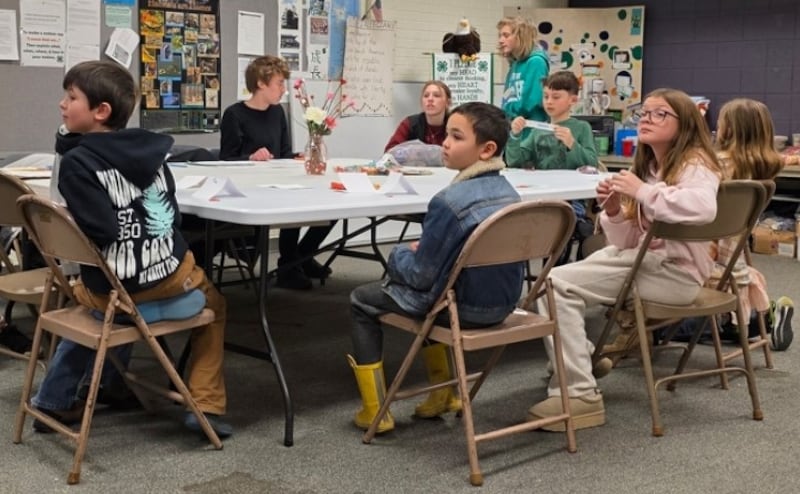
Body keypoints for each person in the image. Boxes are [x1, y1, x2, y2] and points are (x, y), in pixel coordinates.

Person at [31, 60, 232, 438]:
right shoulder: (154, 153)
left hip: (111, 293)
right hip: (169, 279)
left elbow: (103, 231)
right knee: (214, 304)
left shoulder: (76, 165)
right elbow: (169, 217)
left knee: (97, 302)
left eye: (71, 97)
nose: (62, 104)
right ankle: (206, 405)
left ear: (100, 111)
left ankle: (55, 400)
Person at [526, 88, 723, 431]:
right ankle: (582, 359)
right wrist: (615, 211)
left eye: (659, 114)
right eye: (643, 113)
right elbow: (629, 240)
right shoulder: (649, 167)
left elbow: (704, 208)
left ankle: (581, 393)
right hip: (648, 264)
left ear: (685, 123)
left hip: (676, 277)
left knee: (554, 285)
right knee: (553, 281)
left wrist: (641, 192)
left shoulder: (696, 164)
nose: (646, 119)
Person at [347, 102, 525, 433]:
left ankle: (374, 411)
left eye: (456, 137)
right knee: (438, 290)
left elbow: (420, 276)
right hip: (503, 305)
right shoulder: (509, 194)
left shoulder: (448, 201)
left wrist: (400, 253)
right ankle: (444, 395)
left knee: (362, 299)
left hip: (463, 309)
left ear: (487, 150)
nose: (444, 143)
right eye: (446, 135)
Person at [637, 98, 792, 353]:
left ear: (728, 130)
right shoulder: (768, 164)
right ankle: (762, 317)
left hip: (707, 253)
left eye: (719, 125)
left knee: (659, 325)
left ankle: (755, 320)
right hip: (735, 254)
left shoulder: (712, 164)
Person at [219, 55, 334, 290]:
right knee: (291, 208)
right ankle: (291, 265)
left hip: (278, 181)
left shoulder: (277, 113)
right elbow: (225, 160)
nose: (284, 89)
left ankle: (299, 258)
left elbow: (282, 153)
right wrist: (251, 157)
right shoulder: (235, 114)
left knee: (331, 207)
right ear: (261, 83)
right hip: (249, 187)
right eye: (279, 83)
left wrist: (297, 157)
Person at [505, 70, 598, 264]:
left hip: (570, 200)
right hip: (540, 197)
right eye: (546, 96)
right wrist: (513, 136)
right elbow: (515, 161)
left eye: (556, 97)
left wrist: (573, 144)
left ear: (573, 100)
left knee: (560, 227)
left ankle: (556, 268)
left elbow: (591, 165)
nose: (549, 102)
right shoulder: (538, 129)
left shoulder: (581, 128)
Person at [497, 16, 550, 123]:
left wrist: (507, 113)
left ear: (521, 36)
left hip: (531, 130)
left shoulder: (536, 62)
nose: (501, 40)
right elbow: (507, 97)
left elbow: (532, 102)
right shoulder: (515, 63)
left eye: (506, 35)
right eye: (500, 36)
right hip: (514, 128)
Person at [384, 80, 452, 152]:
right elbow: (389, 152)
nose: (430, 99)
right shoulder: (410, 123)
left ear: (448, 103)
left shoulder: (455, 124)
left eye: (436, 95)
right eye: (426, 96)